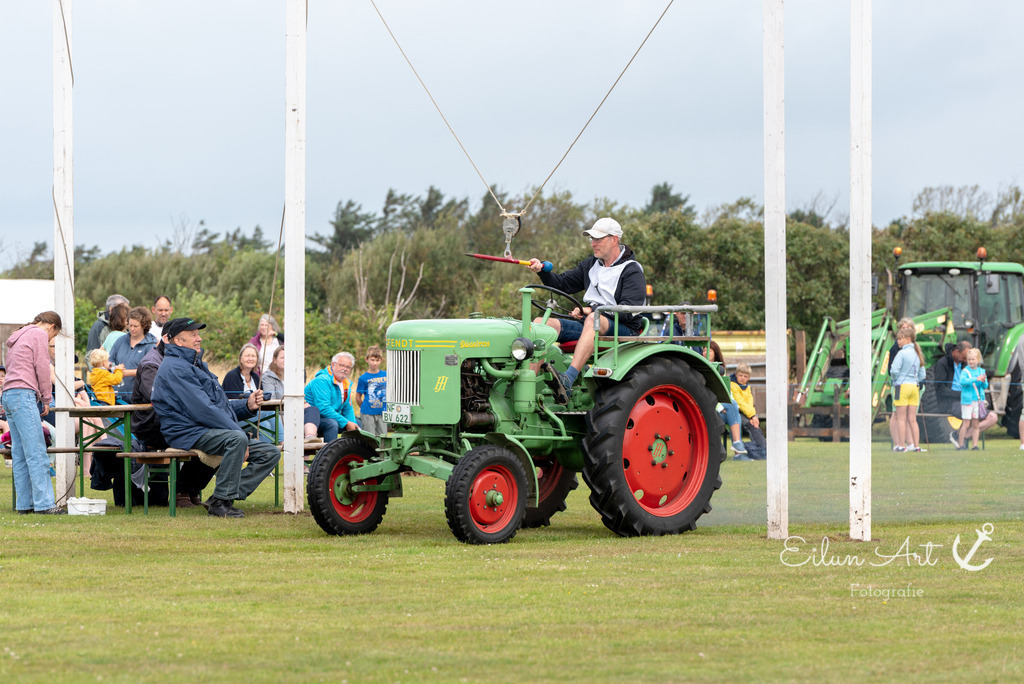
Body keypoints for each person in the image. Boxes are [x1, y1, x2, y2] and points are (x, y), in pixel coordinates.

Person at [151, 317, 280, 518]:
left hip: (204, 429)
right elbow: (203, 409)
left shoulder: (195, 364)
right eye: (193, 335)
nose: (199, 338)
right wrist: (238, 432)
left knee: (270, 452)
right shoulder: (175, 368)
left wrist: (247, 405)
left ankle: (222, 496)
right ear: (178, 341)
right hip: (187, 432)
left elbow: (218, 405)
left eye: (198, 334)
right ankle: (221, 503)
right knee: (236, 439)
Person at [528, 217, 646, 397]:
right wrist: (542, 271)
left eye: (598, 239)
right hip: (591, 325)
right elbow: (562, 284)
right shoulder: (591, 264)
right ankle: (527, 387)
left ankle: (568, 379)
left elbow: (630, 311)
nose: (593, 244)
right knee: (540, 324)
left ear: (614, 239)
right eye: (592, 239)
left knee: (593, 319)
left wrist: (592, 309)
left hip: (623, 329)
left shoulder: (632, 270)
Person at [122, 329, 216, 509]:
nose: (198, 339)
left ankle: (190, 490)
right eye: (193, 335)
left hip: (173, 423)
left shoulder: (186, 360)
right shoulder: (151, 363)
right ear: (168, 339)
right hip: (153, 427)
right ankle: (182, 492)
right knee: (208, 437)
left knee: (218, 435)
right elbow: (158, 397)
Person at [2, 311, 65, 514]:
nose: (51, 340)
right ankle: (45, 505)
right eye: (53, 336)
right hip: (23, 394)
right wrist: (46, 398)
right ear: (51, 327)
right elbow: (43, 368)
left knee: (20, 454)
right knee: (37, 452)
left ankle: (25, 504)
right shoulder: (38, 334)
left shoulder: (19, 334)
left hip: (9, 395)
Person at [261, 346, 321, 441]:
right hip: (279, 414)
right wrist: (297, 406)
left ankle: (310, 437)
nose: (286, 360)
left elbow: (301, 397)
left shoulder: (295, 376)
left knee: (313, 410)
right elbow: (271, 402)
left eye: (289, 357)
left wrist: (301, 405)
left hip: (295, 412)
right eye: (283, 357)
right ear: (274, 360)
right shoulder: (267, 377)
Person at [304, 351, 359, 441]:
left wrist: (353, 425)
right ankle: (330, 450)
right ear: (333, 365)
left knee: (357, 424)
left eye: (348, 367)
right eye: (342, 365)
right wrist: (346, 423)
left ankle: (350, 449)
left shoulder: (346, 384)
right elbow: (323, 408)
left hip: (330, 417)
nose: (345, 369)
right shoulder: (322, 380)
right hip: (312, 419)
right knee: (332, 424)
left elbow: (348, 409)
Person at [108, 306, 158, 400]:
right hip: (116, 396)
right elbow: (109, 361)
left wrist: (127, 373)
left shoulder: (151, 346)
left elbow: (149, 370)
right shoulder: (120, 341)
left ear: (144, 325)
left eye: (135, 326)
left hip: (139, 398)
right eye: (130, 325)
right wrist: (113, 367)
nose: (132, 329)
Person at [889, 328, 926, 452]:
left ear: (908, 339)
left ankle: (901, 445)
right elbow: (922, 374)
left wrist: (895, 379)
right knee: (913, 419)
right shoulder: (917, 353)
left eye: (900, 339)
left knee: (901, 418)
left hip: (900, 387)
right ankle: (916, 446)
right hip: (914, 388)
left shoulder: (901, 353)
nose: (898, 341)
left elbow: (894, 370)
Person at [730, 363, 767, 460]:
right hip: (736, 412)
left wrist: (753, 416)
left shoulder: (747, 387)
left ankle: (762, 448)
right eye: (740, 375)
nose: (742, 378)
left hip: (746, 413)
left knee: (755, 424)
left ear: (749, 377)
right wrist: (752, 416)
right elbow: (739, 402)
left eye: (745, 376)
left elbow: (750, 403)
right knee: (750, 424)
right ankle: (750, 448)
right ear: (736, 374)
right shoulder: (733, 385)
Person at [956, 347, 988, 451]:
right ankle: (961, 445)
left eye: (973, 359)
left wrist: (983, 381)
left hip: (977, 401)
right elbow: (962, 382)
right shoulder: (965, 371)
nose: (971, 361)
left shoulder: (982, 371)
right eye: (969, 359)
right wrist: (976, 379)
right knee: (966, 423)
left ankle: (975, 445)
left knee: (976, 424)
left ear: (978, 360)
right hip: (967, 401)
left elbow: (985, 386)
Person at [356, 345, 387, 437]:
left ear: (381, 360)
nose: (375, 363)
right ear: (367, 359)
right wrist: (366, 408)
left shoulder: (386, 375)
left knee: (383, 438)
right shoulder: (363, 378)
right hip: (368, 414)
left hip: (383, 412)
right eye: (372, 360)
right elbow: (358, 397)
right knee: (369, 438)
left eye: (377, 360)